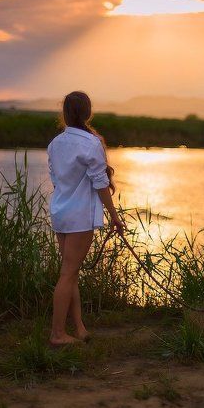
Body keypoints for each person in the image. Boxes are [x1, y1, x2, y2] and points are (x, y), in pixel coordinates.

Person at [47, 91, 125, 346]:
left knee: (70, 273)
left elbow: (56, 179)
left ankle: (79, 328)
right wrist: (114, 216)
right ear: (88, 113)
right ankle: (57, 334)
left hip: (60, 212)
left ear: (65, 113)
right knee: (68, 273)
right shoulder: (90, 144)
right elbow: (101, 184)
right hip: (78, 216)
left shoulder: (55, 143)